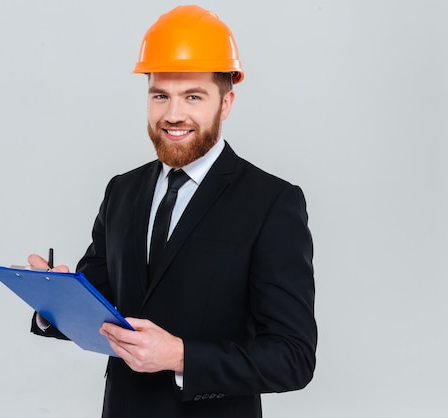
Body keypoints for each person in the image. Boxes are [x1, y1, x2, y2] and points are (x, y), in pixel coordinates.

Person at [28, 5, 316, 418]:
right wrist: (54, 301)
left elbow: (293, 357)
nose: (173, 114)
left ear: (226, 103)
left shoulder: (271, 203)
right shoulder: (122, 190)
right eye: (160, 95)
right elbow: (103, 304)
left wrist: (182, 357)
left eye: (193, 97)